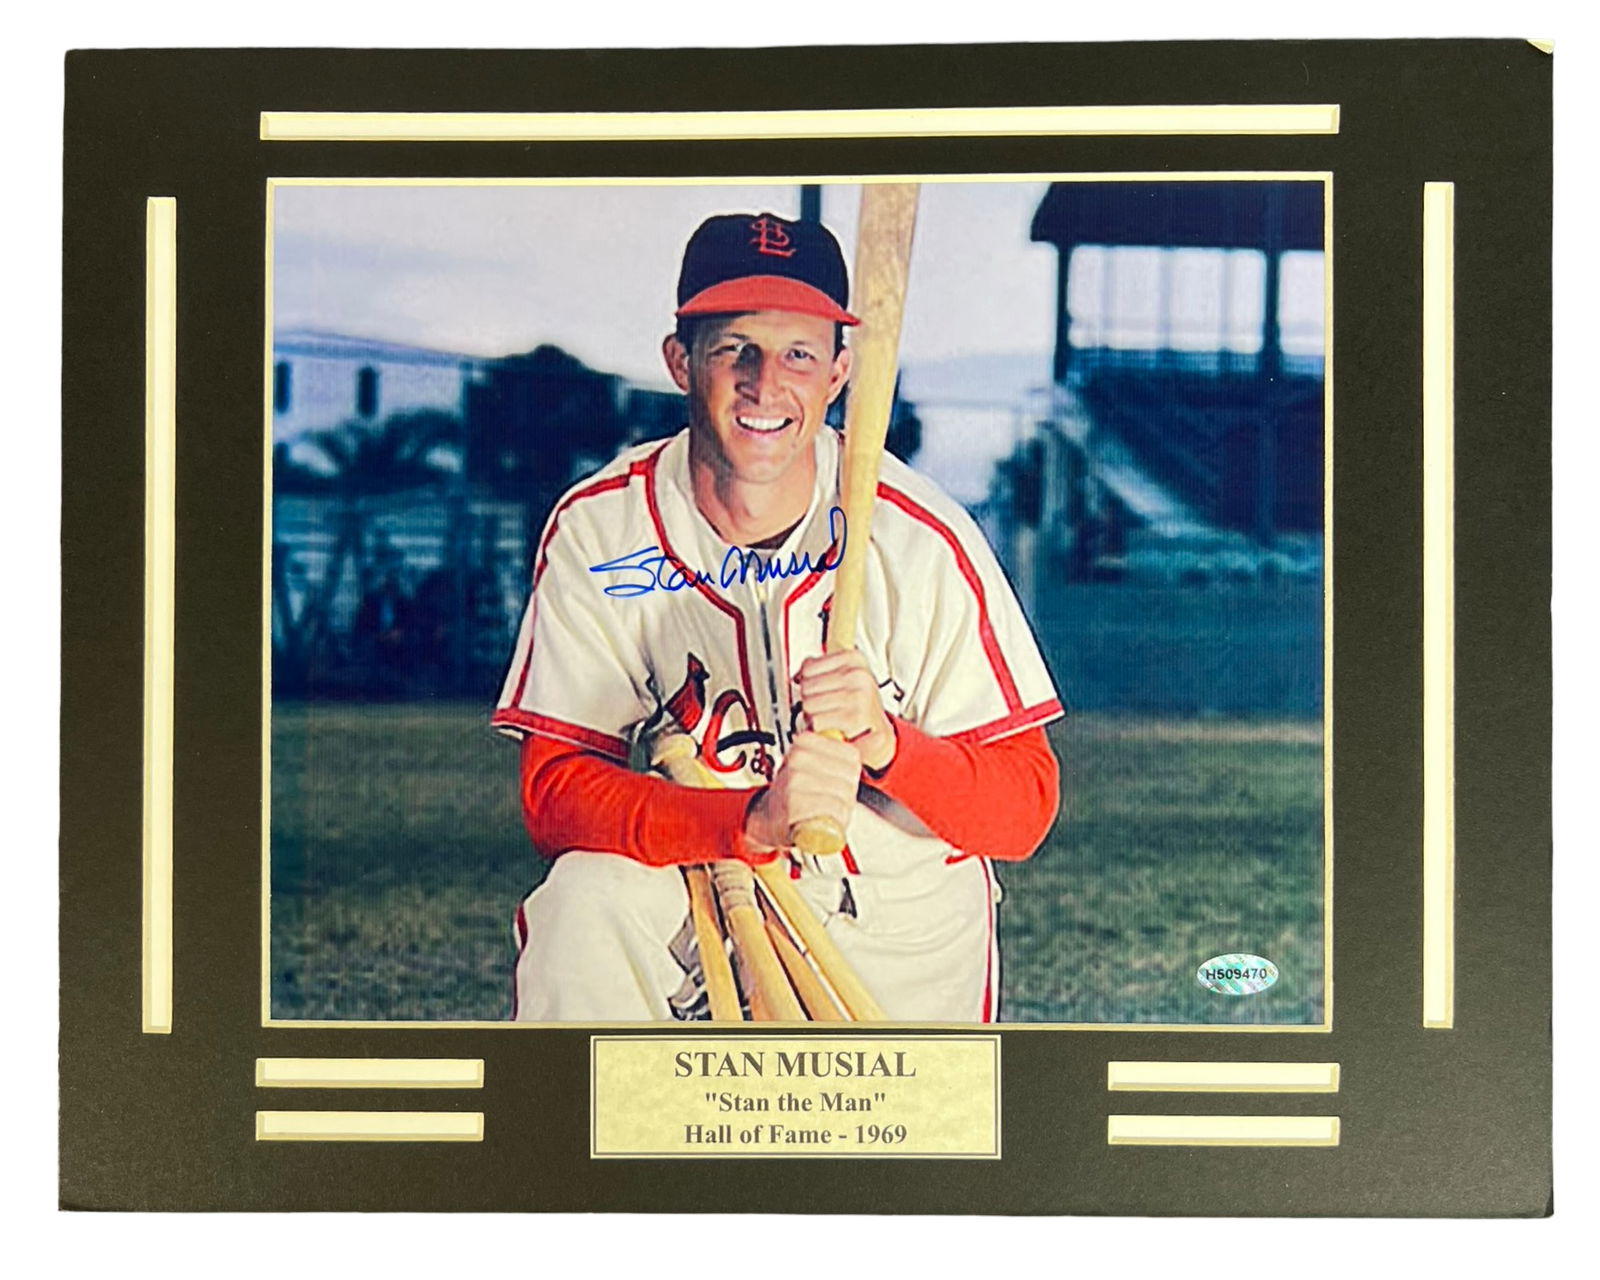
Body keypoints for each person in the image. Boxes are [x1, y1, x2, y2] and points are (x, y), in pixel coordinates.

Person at [493, 211, 1063, 1022]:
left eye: (799, 352)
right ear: (680, 363)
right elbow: (555, 793)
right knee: (586, 904)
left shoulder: (922, 539)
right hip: (689, 871)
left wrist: (888, 743)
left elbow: (1024, 806)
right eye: (735, 349)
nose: (767, 383)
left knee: (877, 1134)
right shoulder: (604, 529)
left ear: (838, 374)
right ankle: (585, 1149)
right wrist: (747, 821)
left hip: (892, 908)